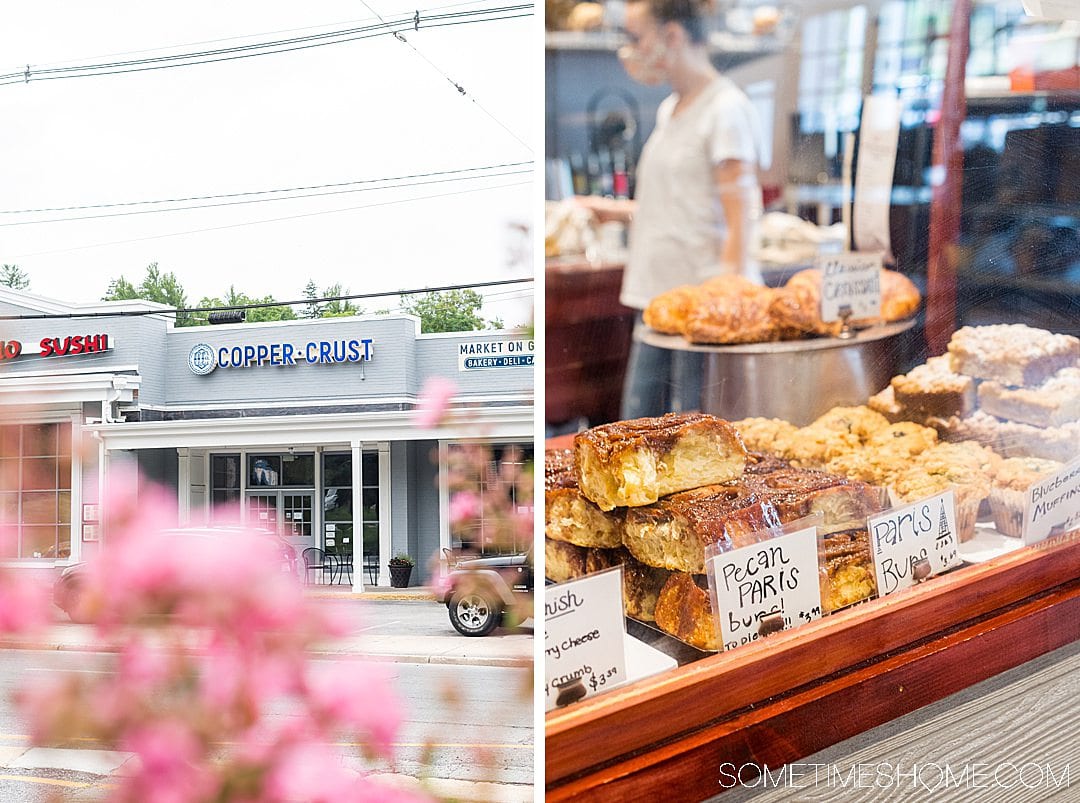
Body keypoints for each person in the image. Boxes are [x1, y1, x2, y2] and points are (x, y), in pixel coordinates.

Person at [583, 0, 766, 418]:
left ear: (672, 36)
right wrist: (610, 211)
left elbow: (741, 218)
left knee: (689, 438)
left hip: (699, 312)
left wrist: (725, 305)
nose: (629, 49)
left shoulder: (725, 109)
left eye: (635, 37)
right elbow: (676, 206)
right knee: (639, 430)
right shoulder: (671, 108)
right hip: (658, 300)